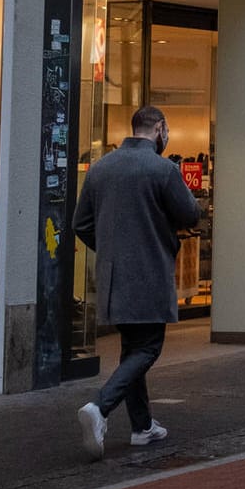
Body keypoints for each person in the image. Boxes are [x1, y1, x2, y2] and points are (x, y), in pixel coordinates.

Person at [72, 105, 201, 459]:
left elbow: (80, 224)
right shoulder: (163, 169)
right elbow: (190, 212)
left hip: (114, 276)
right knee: (148, 348)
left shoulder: (101, 169)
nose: (167, 135)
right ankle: (99, 407)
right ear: (159, 128)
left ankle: (142, 426)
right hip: (149, 273)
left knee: (133, 348)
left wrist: (111, 249)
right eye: (167, 130)